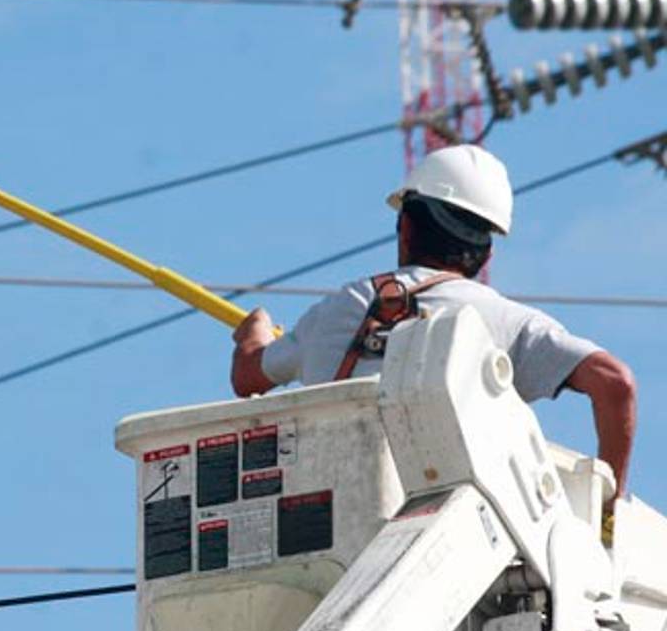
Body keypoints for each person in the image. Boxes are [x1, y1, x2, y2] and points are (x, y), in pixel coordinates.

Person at [229, 145, 637, 508]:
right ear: (486, 252)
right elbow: (614, 383)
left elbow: (249, 376)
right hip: (448, 530)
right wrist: (608, 508)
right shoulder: (507, 322)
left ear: (406, 227)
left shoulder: (338, 309)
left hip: (330, 527)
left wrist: (255, 330)